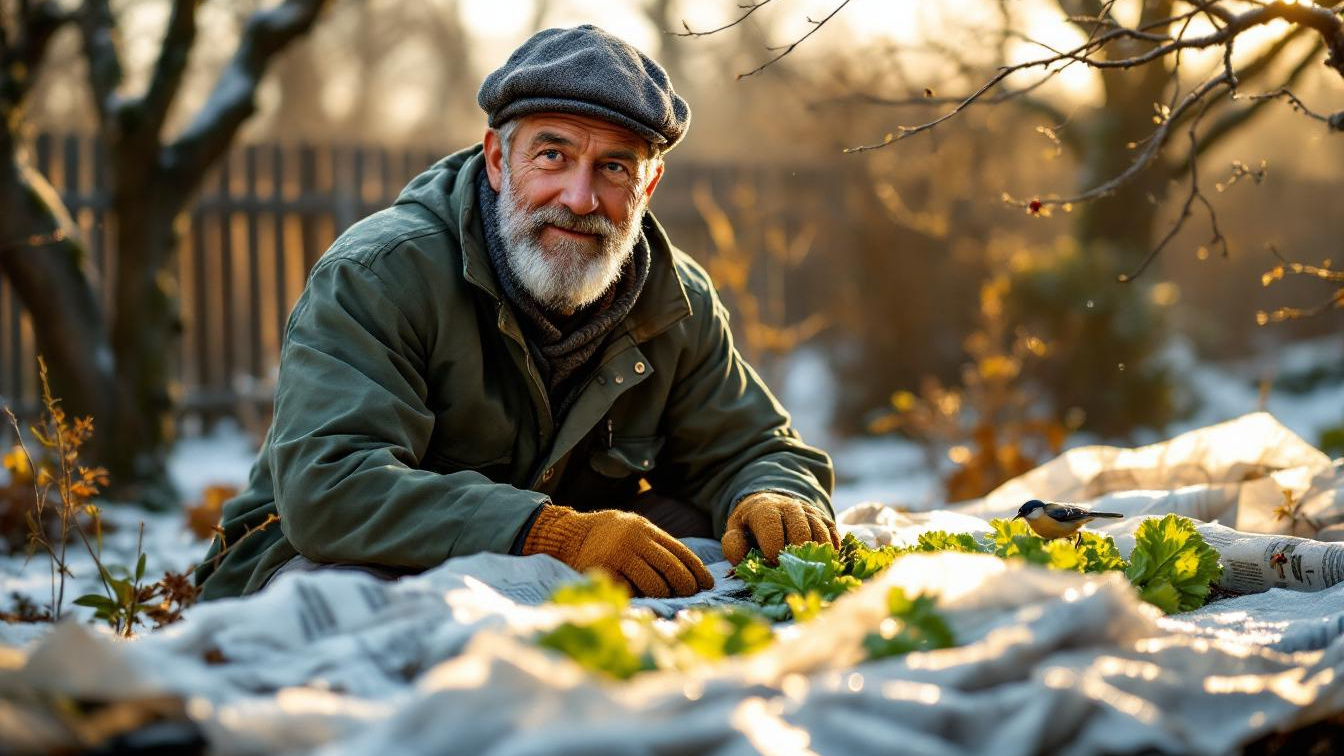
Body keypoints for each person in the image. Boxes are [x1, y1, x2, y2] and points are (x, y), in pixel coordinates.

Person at [195, 24, 837, 601]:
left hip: (531, 576)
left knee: (714, 538)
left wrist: (776, 494)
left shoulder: (675, 300)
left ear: (648, 185)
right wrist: (548, 532)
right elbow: (330, 488)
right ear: (499, 159)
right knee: (352, 595)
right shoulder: (380, 274)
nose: (579, 197)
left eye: (613, 167)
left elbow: (750, 444)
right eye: (552, 156)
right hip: (317, 569)